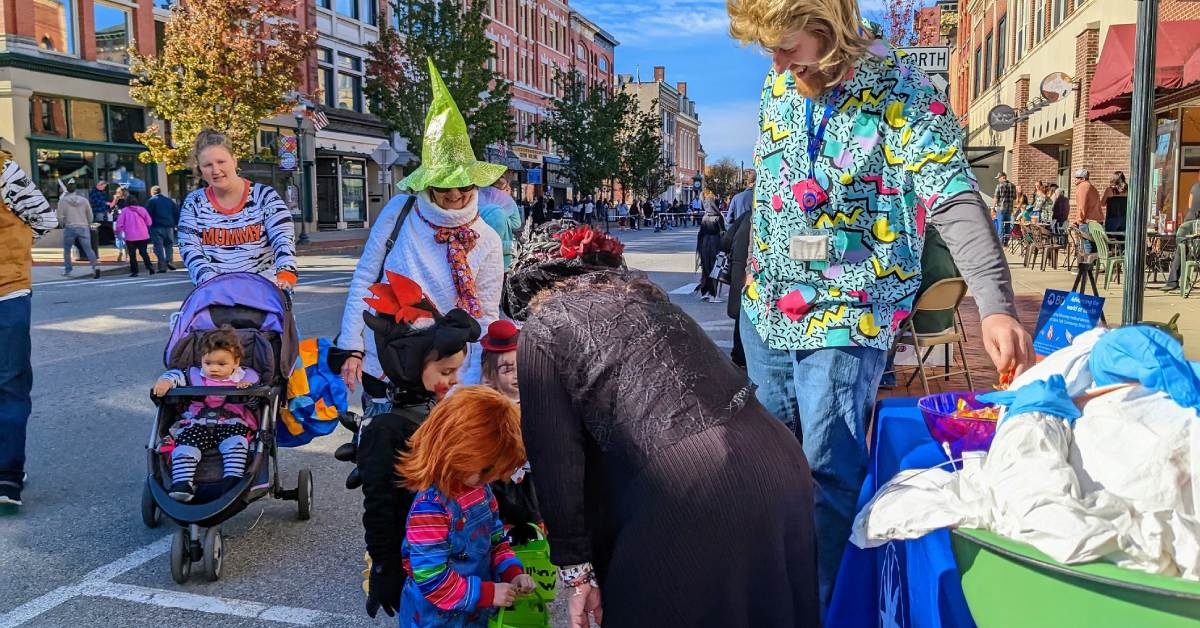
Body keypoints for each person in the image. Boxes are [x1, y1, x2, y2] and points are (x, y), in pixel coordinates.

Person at [725, 0, 1031, 605]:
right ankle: (779, 595)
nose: (779, 65)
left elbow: (955, 198)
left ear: (827, 27)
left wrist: (996, 304)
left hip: (847, 310)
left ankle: (825, 609)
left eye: (787, 47)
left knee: (827, 473)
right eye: (770, 53)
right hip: (767, 308)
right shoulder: (779, 82)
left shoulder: (904, 94)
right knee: (774, 469)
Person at [504, 221, 819, 627]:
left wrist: (576, 573)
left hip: (691, 485)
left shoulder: (545, 326)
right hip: (777, 460)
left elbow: (555, 461)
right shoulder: (645, 297)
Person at [337, 59, 504, 418]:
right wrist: (352, 345)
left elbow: (487, 313)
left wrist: (486, 373)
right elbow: (365, 278)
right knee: (386, 456)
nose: (456, 195)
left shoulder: (486, 238)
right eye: (445, 187)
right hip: (391, 357)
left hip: (450, 369)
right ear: (428, 183)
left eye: (464, 185)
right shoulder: (400, 211)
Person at [347, 273, 482, 619]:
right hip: (418, 555)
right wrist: (383, 567)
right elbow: (379, 507)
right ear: (408, 364)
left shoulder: (439, 409)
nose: (453, 381)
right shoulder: (388, 428)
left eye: (457, 372)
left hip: (454, 546)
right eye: (446, 372)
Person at [396, 386, 536, 627]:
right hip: (435, 618)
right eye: (485, 469)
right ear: (455, 450)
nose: (489, 478)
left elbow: (496, 541)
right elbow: (431, 579)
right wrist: (487, 593)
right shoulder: (430, 509)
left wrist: (513, 572)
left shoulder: (481, 491)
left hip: (474, 612)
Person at [0, 149, 56, 507]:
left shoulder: (3, 169)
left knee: (9, 381)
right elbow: (43, 220)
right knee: (10, 382)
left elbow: (44, 219)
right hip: (8, 289)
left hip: (6, 290)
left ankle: (7, 473)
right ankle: (7, 476)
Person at [178, 130, 296, 289]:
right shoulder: (194, 203)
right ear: (200, 169)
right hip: (216, 295)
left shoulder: (265, 197)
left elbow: (283, 238)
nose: (215, 170)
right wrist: (211, 282)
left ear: (234, 161)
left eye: (221, 162)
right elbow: (190, 249)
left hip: (265, 291)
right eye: (208, 165)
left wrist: (285, 273)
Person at [152, 326, 258, 501]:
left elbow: (255, 399)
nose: (214, 369)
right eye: (208, 363)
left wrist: (249, 391)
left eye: (221, 364)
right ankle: (182, 483)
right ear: (201, 360)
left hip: (232, 422)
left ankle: (232, 479)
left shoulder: (245, 378)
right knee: (184, 446)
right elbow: (176, 374)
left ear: (236, 362)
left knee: (237, 443)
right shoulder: (194, 375)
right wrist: (166, 381)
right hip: (197, 422)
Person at [722, 204, 754, 367]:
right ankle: (744, 355)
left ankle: (738, 354)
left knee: (740, 313)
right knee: (748, 313)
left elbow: (726, 240)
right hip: (750, 271)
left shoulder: (746, 216)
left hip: (738, 267)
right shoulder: (765, 218)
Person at [56, 179, 100, 279]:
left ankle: (68, 270)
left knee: (67, 250)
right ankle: (94, 267)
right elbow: (90, 215)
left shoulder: (62, 201)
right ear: (76, 189)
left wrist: (63, 224)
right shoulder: (84, 200)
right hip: (83, 226)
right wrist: (88, 224)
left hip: (70, 226)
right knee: (88, 249)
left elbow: (59, 216)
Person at [1163, 182, 1200, 292]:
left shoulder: (1195, 186)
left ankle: (1172, 281)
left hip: (1188, 222)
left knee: (1181, 249)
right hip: (1196, 225)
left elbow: (1190, 205)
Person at [114, 191, 155, 277]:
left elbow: (119, 223)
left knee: (132, 254)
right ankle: (149, 266)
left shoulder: (125, 211)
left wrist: (118, 232)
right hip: (143, 235)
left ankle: (134, 271)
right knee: (143, 252)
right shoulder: (142, 209)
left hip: (130, 236)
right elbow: (149, 222)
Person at [696, 199, 726, 303]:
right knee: (715, 268)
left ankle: (705, 292)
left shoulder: (704, 217)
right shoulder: (718, 217)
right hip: (715, 244)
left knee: (706, 268)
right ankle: (714, 294)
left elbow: (701, 233)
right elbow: (723, 232)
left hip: (704, 244)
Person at [146, 185, 180, 272]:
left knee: (158, 247)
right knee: (169, 245)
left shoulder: (151, 201)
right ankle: (169, 261)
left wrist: (146, 225)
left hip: (156, 226)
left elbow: (147, 214)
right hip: (169, 227)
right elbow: (176, 212)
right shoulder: (169, 201)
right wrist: (176, 224)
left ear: (152, 192)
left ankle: (162, 266)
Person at [1073, 168, 1103, 253]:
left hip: (1087, 222)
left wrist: (1079, 220)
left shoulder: (1083, 186)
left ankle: (1087, 266)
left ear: (1082, 178)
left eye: (1077, 177)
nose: (1075, 180)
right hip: (1096, 221)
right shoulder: (1091, 187)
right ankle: (1092, 265)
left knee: (1087, 246)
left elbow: (1082, 206)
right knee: (1094, 247)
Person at [993, 172, 1016, 241]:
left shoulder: (999, 186)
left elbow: (996, 197)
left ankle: (1000, 242)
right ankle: (1006, 242)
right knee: (1007, 226)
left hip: (1001, 209)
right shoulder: (1013, 186)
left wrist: (993, 208)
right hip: (1009, 209)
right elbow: (1014, 198)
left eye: (999, 178)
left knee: (1000, 225)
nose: (998, 180)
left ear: (1003, 177)